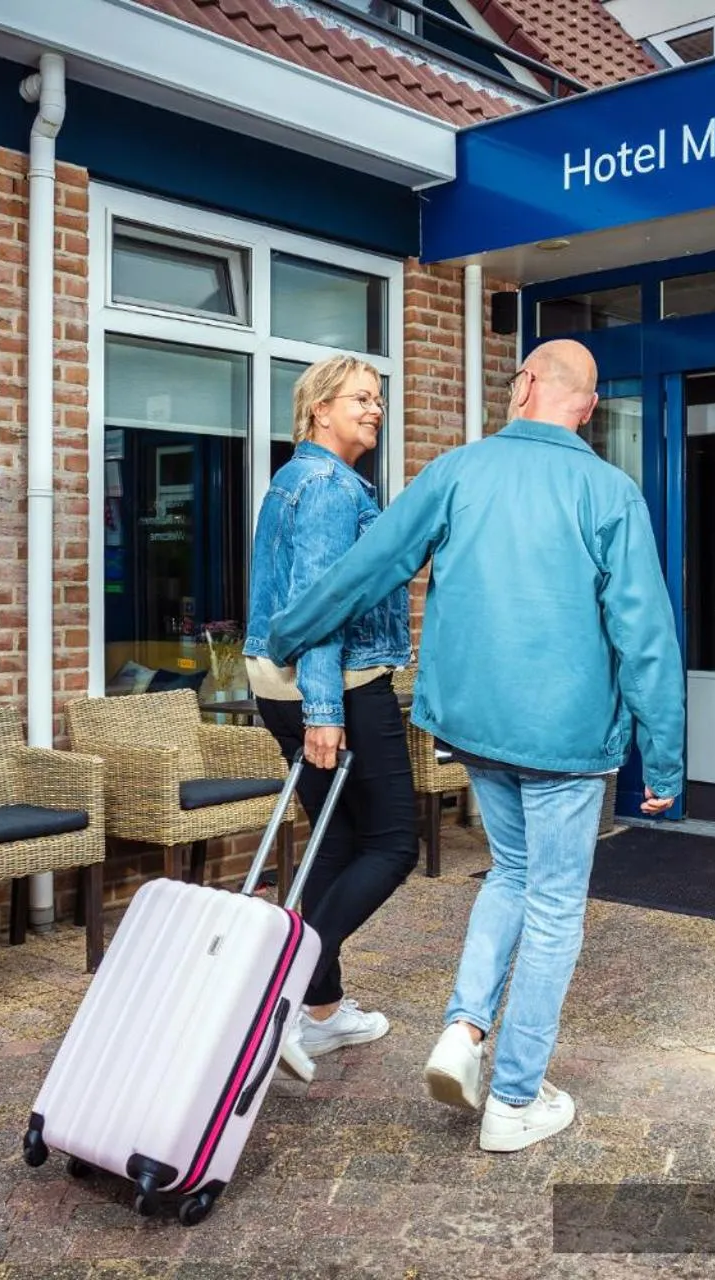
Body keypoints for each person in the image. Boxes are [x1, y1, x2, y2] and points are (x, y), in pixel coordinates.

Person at [267, 338, 684, 1154]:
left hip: (475, 727)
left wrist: (289, 631)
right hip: (568, 739)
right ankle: (514, 1100)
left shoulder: (458, 470)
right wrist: (662, 760)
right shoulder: (609, 489)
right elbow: (645, 636)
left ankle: (464, 1029)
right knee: (554, 905)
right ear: (588, 409)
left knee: (513, 875)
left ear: (527, 385)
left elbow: (368, 568)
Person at [242, 355, 418, 1083]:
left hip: (277, 683)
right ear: (319, 408)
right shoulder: (327, 489)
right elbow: (320, 609)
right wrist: (324, 711)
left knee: (337, 844)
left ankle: (320, 1013)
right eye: (361, 399)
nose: (375, 409)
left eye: (378, 400)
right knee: (394, 843)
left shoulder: (294, 480)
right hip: (336, 687)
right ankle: (285, 984)